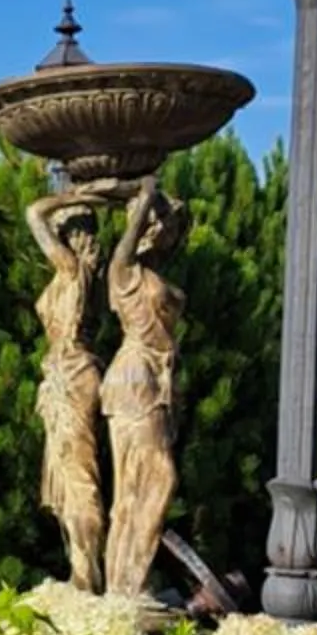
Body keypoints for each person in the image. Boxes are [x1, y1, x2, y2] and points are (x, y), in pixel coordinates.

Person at [102, 175, 188, 600]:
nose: (161, 230)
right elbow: (127, 240)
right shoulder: (125, 273)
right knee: (156, 478)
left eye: (168, 225)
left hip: (159, 380)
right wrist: (145, 195)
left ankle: (127, 582)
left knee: (138, 484)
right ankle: (129, 584)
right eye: (155, 223)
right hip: (134, 379)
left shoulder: (156, 276)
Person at [25, 190, 107, 591]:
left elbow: (33, 213)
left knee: (78, 478)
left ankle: (86, 574)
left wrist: (76, 194)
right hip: (67, 372)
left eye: (60, 231)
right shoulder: (77, 276)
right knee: (72, 475)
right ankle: (81, 565)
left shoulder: (73, 271)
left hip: (72, 374)